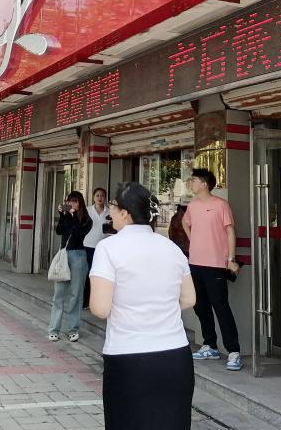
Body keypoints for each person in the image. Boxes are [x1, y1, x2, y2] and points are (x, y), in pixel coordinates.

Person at [90, 182, 196, 430]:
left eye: (113, 206)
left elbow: (100, 308)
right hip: (176, 357)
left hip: (129, 358)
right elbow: (189, 299)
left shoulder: (108, 248)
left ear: (125, 212)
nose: (110, 211)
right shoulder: (171, 248)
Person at [182, 168, 243, 371]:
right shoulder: (192, 205)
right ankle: (210, 345)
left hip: (215, 264)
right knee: (200, 306)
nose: (191, 183)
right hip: (195, 263)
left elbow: (230, 231)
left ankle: (234, 352)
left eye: (194, 180)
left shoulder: (221, 205)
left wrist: (231, 259)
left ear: (205, 184)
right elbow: (185, 222)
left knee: (221, 307)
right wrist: (194, 240)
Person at [48, 191, 92, 342]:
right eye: (69, 201)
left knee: (76, 295)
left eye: (74, 201)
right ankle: (53, 329)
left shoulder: (87, 220)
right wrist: (62, 215)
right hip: (64, 255)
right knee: (58, 294)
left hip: (79, 256)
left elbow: (79, 234)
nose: (71, 204)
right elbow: (59, 231)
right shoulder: (67, 216)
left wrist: (73, 216)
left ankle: (73, 330)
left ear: (80, 203)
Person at [82, 187, 109, 309]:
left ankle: (98, 301)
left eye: (102, 195)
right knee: (87, 274)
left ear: (105, 198)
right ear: (93, 197)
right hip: (88, 246)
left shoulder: (109, 212)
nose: (100, 198)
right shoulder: (87, 211)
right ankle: (85, 301)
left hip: (103, 248)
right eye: (97, 195)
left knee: (99, 275)